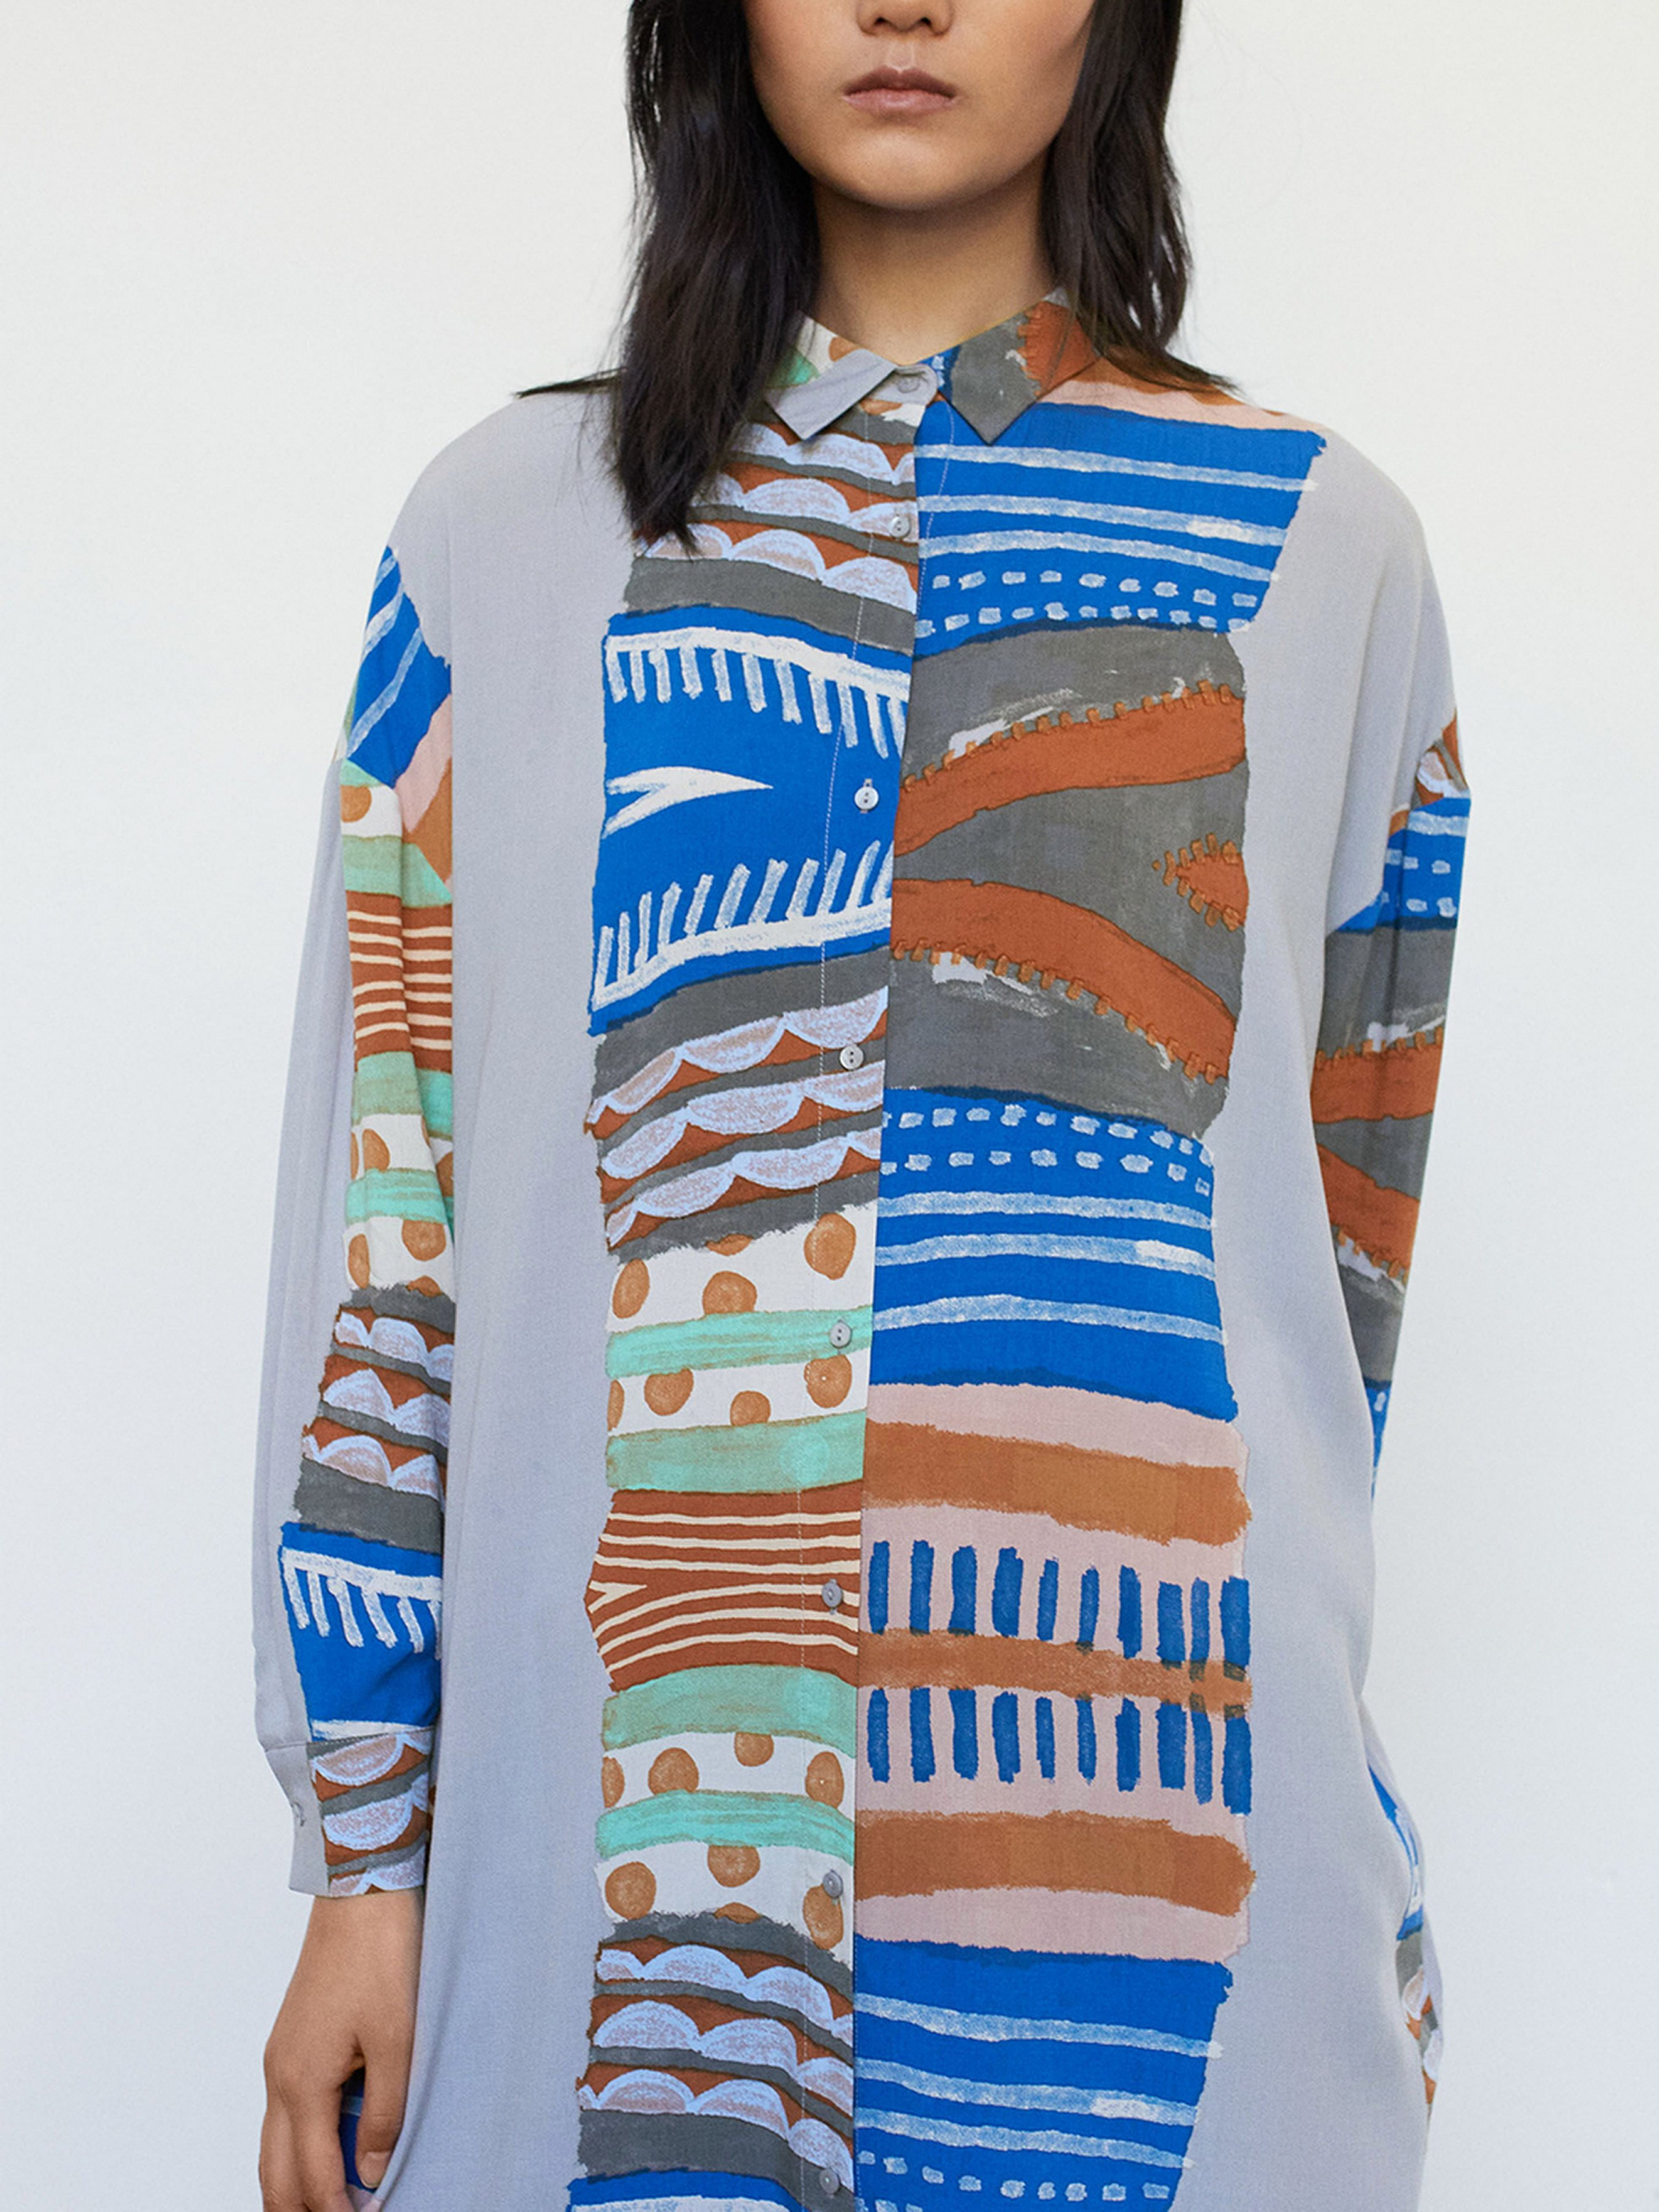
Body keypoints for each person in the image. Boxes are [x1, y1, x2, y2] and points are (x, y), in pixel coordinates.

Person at [254, 2, 1467, 2207]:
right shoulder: (499, 537)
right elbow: (385, 1229)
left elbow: (1336, 1280)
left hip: (1161, 1858)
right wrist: (363, 1857)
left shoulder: (1325, 544)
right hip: (616, 1876)